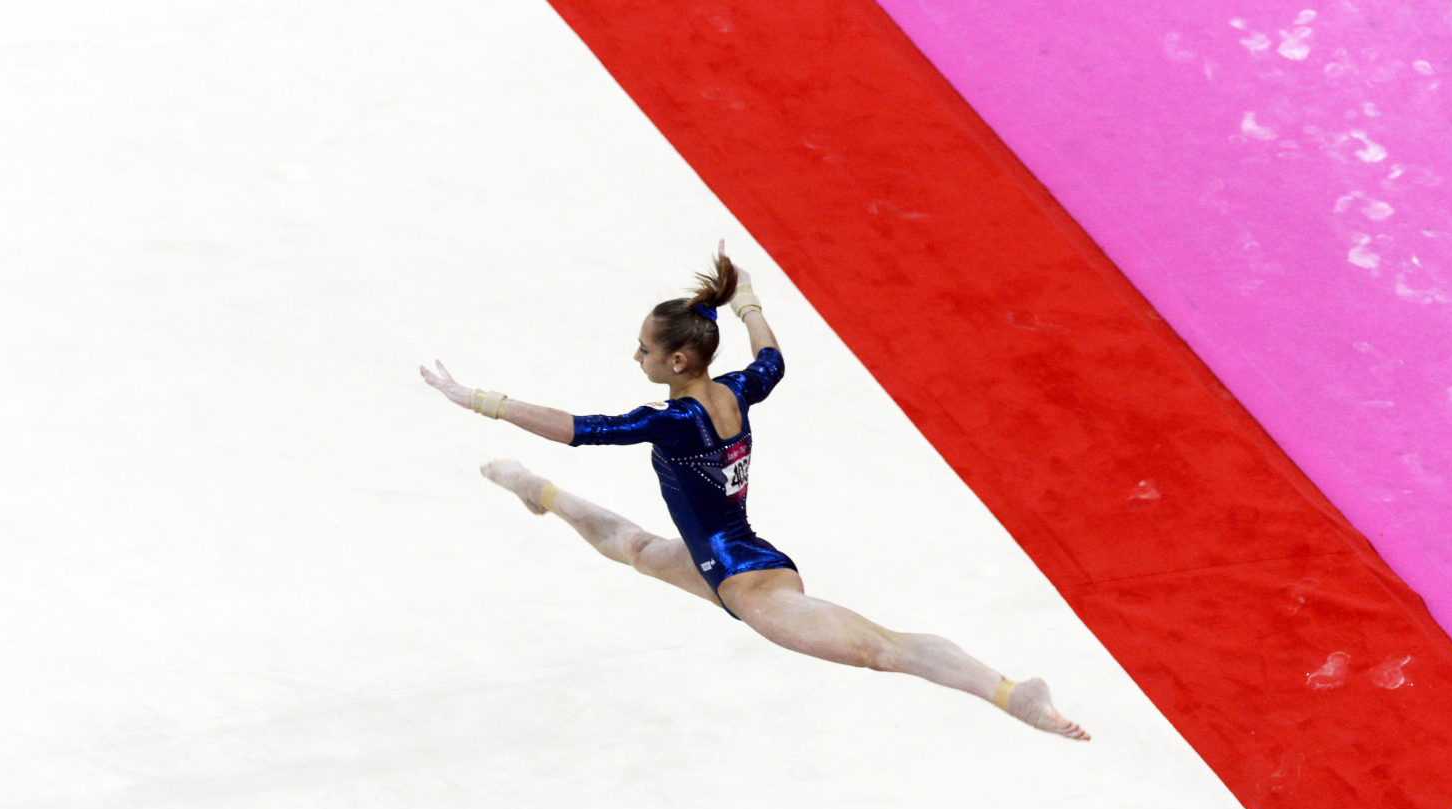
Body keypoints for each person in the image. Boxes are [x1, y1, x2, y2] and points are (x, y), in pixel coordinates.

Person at [419, 244, 1089, 739]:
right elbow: (773, 359)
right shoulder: (736, 389)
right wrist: (749, 305)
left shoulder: (673, 421)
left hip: (756, 587)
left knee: (884, 649)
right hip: (728, 558)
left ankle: (1010, 693)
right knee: (633, 546)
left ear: (677, 360)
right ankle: (533, 490)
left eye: (644, 350)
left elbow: (577, 428)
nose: (637, 358)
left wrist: (481, 400)